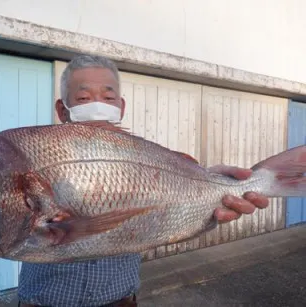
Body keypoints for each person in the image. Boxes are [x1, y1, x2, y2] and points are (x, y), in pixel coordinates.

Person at [17, 55, 269, 307]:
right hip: (44, 301)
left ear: (121, 107)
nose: (97, 105)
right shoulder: (34, 156)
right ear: (62, 110)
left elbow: (177, 198)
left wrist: (212, 185)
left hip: (119, 301)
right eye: (83, 98)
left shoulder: (143, 157)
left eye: (108, 97)